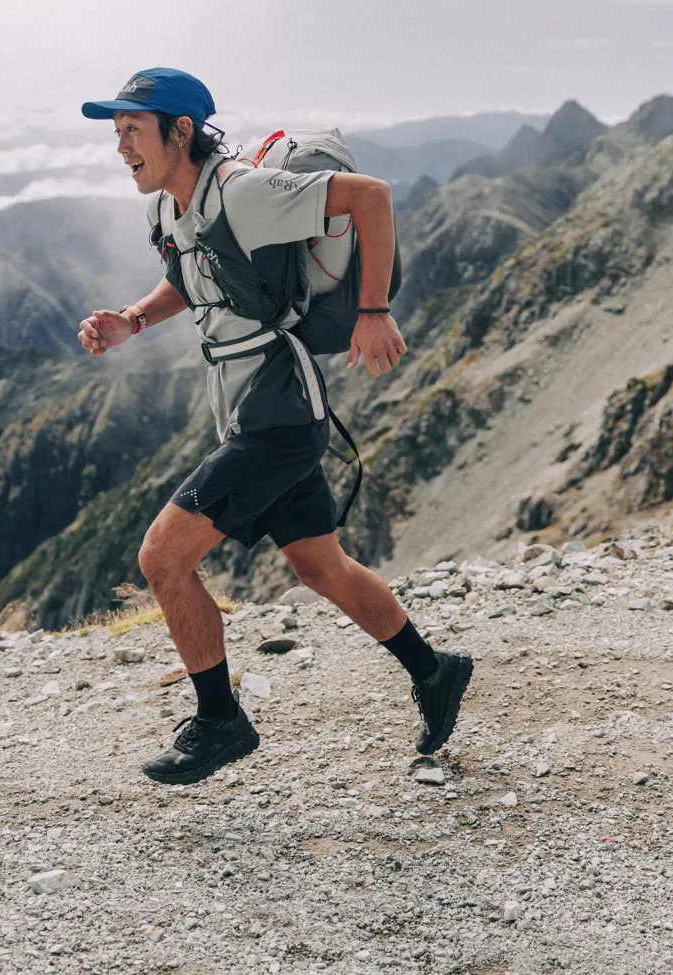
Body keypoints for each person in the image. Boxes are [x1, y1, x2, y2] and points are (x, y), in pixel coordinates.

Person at [78, 67, 473, 785]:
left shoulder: (243, 193)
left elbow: (371, 198)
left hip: (279, 417)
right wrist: (132, 319)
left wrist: (374, 308)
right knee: (320, 566)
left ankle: (221, 721)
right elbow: (195, 280)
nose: (122, 146)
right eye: (117, 133)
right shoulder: (169, 209)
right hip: (251, 412)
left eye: (133, 130)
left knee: (163, 559)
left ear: (181, 131)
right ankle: (436, 670)